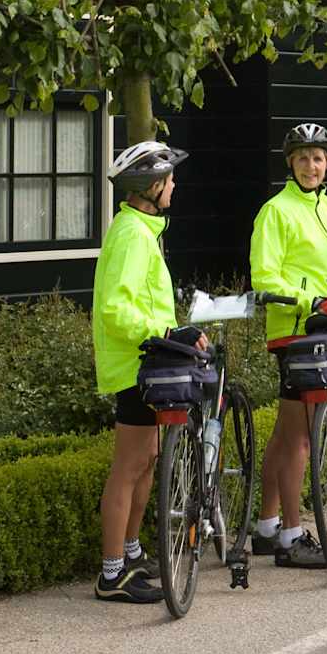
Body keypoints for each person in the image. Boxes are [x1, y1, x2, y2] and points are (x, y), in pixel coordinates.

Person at [249, 121, 327, 568]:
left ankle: (265, 528)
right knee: (301, 439)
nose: (310, 165)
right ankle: (292, 535)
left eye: (317, 158)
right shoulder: (276, 211)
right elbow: (265, 277)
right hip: (298, 332)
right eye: (302, 157)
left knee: (285, 435)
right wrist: (312, 299)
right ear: (290, 163)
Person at [90, 138, 205, 605]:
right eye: (169, 179)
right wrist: (167, 332)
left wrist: (170, 331)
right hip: (137, 367)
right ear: (152, 186)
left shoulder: (139, 229)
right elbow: (118, 311)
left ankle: (132, 552)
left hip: (148, 362)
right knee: (129, 467)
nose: (175, 186)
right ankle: (112, 573)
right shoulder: (132, 236)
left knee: (146, 462)